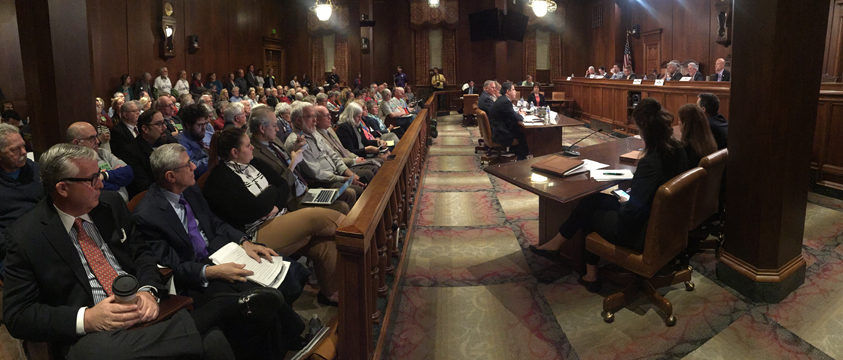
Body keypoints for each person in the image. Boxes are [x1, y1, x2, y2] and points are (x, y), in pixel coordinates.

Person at [3, 143, 230, 359]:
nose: (101, 184)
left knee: (214, 342)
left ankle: (194, 325)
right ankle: (214, 313)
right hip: (95, 332)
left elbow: (142, 253)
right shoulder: (26, 235)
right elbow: (17, 315)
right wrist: (87, 318)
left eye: (100, 175)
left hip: (143, 309)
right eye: (92, 179)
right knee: (99, 354)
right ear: (63, 188)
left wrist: (148, 291)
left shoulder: (110, 205)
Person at [132, 143, 311, 358]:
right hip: (198, 277)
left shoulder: (190, 190)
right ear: (171, 176)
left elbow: (215, 223)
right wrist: (211, 272)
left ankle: (288, 336)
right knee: (260, 296)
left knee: (286, 268)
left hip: (223, 253)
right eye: (187, 164)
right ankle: (291, 338)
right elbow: (171, 266)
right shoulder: (148, 214)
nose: (193, 167)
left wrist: (245, 242)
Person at [530, 98, 688, 292]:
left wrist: (625, 201)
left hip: (642, 231)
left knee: (589, 212)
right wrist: (629, 197)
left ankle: (590, 274)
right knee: (593, 199)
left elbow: (631, 214)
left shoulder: (651, 162)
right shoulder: (678, 149)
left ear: (644, 130)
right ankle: (557, 245)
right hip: (668, 223)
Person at [202, 129, 344, 304]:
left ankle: (332, 294)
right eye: (247, 145)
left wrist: (270, 202)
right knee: (315, 217)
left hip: (279, 217)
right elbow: (254, 209)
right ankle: (360, 235)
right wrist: (271, 196)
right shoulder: (220, 179)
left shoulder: (255, 163)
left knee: (324, 244)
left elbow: (283, 185)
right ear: (234, 152)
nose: (252, 147)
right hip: (255, 235)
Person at [250, 106, 355, 213]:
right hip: (292, 200)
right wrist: (293, 163)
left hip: (305, 190)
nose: (278, 129)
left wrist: (295, 151)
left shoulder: (274, 140)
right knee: (342, 206)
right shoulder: (255, 156)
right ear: (262, 129)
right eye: (274, 125)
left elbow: (288, 162)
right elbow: (279, 187)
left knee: (349, 194)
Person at [283, 102, 366, 196]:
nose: (315, 120)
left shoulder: (314, 132)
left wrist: (349, 174)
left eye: (315, 116)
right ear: (298, 121)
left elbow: (333, 155)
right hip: (322, 183)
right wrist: (345, 179)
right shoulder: (296, 141)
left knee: (365, 176)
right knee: (355, 191)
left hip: (336, 174)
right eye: (310, 116)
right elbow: (316, 174)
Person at [0, 123, 43, 276]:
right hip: (10, 248)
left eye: (23, 146)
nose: (24, 152)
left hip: (43, 234)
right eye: (15, 149)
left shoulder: (35, 170)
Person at [67, 122, 134, 201]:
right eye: (92, 138)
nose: (97, 141)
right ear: (76, 143)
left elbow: (129, 172)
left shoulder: (102, 153)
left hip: (123, 206)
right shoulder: (72, 165)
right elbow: (97, 187)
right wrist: (117, 181)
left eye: (96, 136)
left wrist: (104, 175)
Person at [122, 110, 175, 197]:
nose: (165, 127)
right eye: (159, 124)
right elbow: (143, 186)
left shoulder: (169, 141)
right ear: (145, 129)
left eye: (164, 122)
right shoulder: (131, 152)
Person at [488, 81, 529, 160]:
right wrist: (521, 115)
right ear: (508, 91)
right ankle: (522, 159)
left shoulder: (502, 99)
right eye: (513, 89)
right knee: (524, 134)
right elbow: (515, 117)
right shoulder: (505, 102)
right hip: (500, 134)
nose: (515, 92)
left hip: (497, 130)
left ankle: (517, 153)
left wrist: (517, 114)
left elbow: (511, 114)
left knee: (519, 130)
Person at [176, 104, 211, 178]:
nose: (204, 128)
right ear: (188, 125)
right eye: (199, 125)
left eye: (205, 124)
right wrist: (214, 157)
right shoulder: (180, 144)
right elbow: (191, 169)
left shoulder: (204, 134)